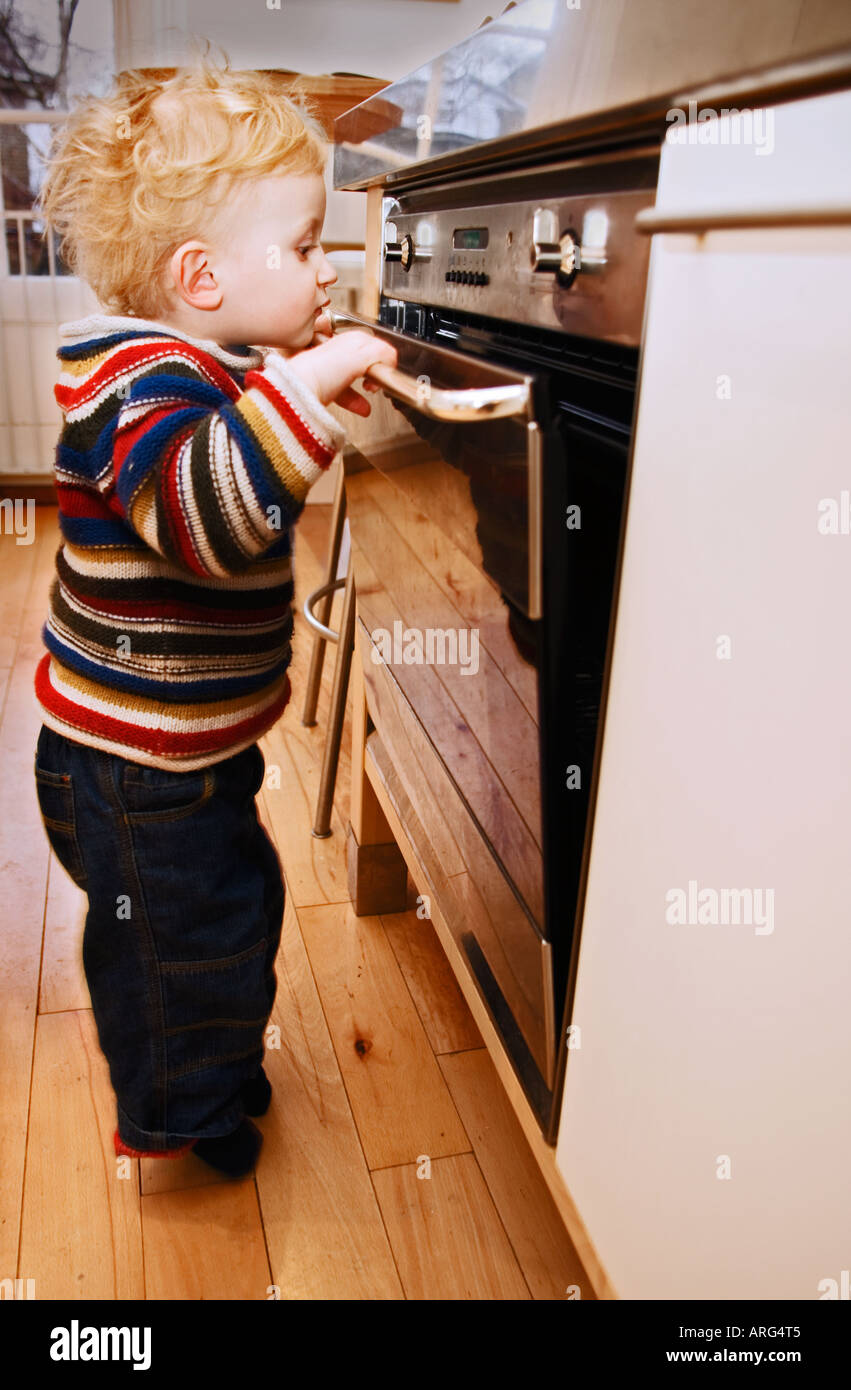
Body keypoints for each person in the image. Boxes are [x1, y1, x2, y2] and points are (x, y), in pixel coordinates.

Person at [31, 56, 397, 1178]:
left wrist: (290, 380)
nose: (324, 271)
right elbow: (207, 514)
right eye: (301, 248)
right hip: (138, 762)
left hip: (186, 745)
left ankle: (211, 1055)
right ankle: (183, 1111)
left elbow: (239, 437)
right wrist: (305, 385)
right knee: (178, 948)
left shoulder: (197, 366)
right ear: (199, 276)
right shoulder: (135, 382)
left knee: (222, 914)